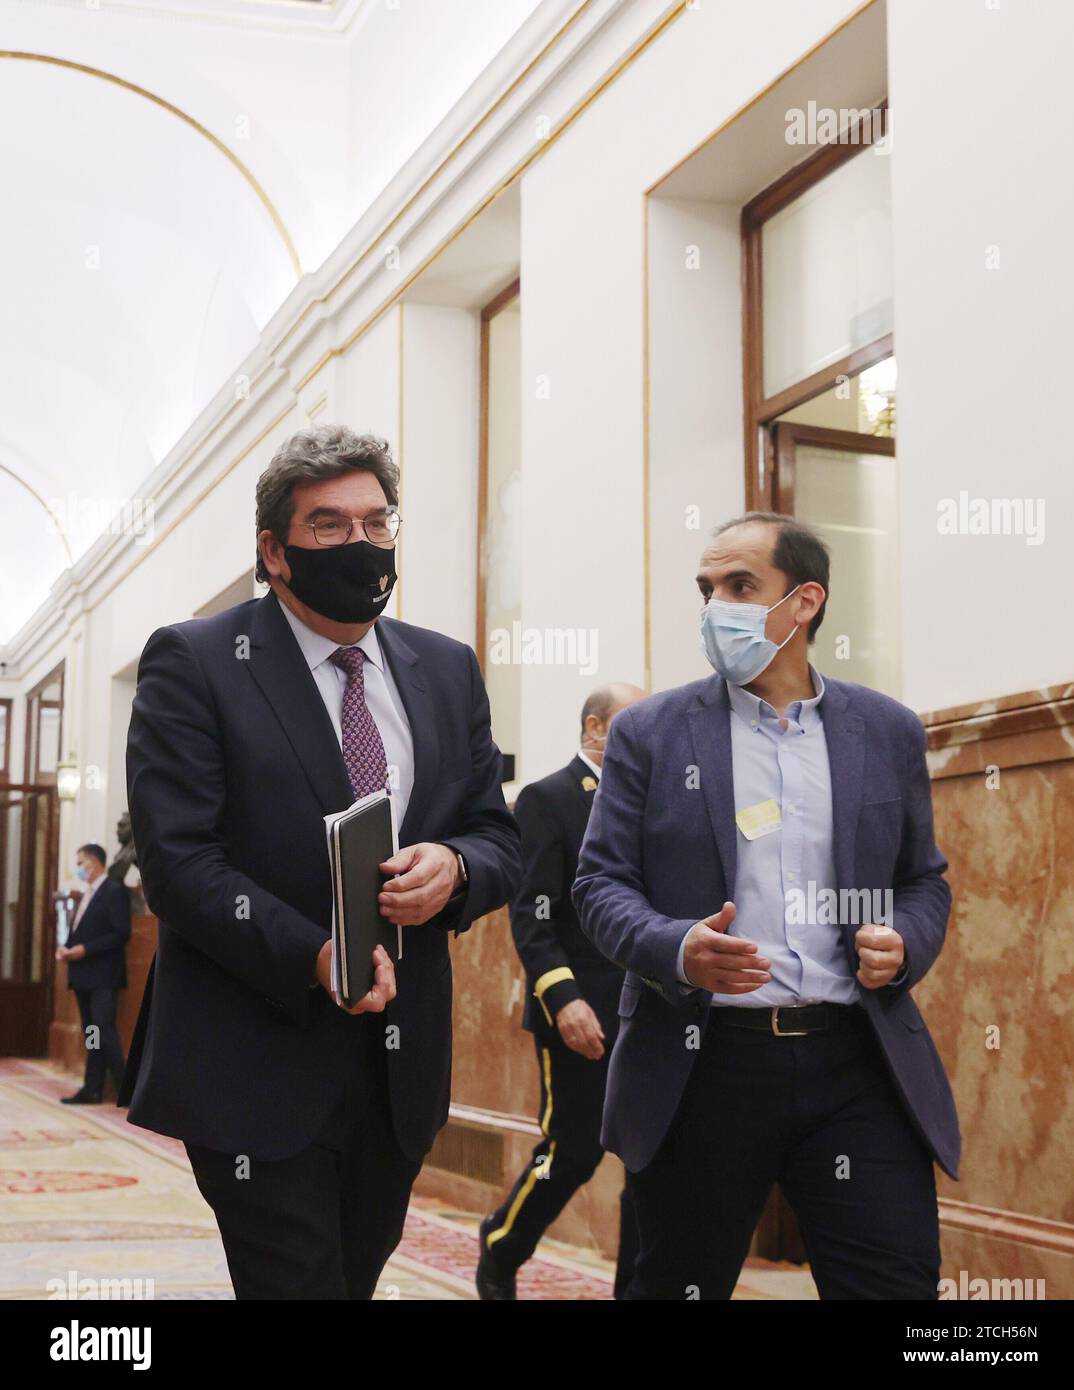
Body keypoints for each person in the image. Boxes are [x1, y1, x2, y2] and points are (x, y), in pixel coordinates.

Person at [120, 425, 521, 1300]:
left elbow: (499, 835)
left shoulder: (447, 670)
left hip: (397, 1068)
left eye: (378, 523)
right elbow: (180, 862)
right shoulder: (196, 662)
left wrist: (455, 866)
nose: (363, 545)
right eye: (331, 527)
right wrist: (311, 951)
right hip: (253, 1059)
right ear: (275, 549)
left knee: (352, 1281)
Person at [572, 511, 960, 1300]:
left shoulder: (884, 730)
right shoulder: (651, 733)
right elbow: (598, 884)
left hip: (857, 1059)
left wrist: (905, 943)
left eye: (741, 586)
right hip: (703, 1061)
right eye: (706, 589)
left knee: (897, 1283)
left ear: (805, 601)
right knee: (675, 1283)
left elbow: (925, 880)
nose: (717, 606)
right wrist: (677, 946)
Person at [477, 683, 645, 1300]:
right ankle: (502, 1243)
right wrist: (563, 998)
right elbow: (532, 913)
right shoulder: (548, 799)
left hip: (652, 1013)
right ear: (596, 728)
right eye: (635, 721)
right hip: (580, 1014)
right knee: (572, 1153)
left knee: (650, 1161)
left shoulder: (649, 798)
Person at [56, 843, 132, 1105]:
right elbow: (82, 930)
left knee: (103, 1029)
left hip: (103, 975)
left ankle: (127, 1090)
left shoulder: (113, 891)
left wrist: (84, 950)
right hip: (83, 974)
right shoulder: (86, 894)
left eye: (80, 863)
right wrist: (66, 948)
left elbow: (121, 933)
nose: (78, 868)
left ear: (94, 862)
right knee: (93, 1032)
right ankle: (93, 1088)